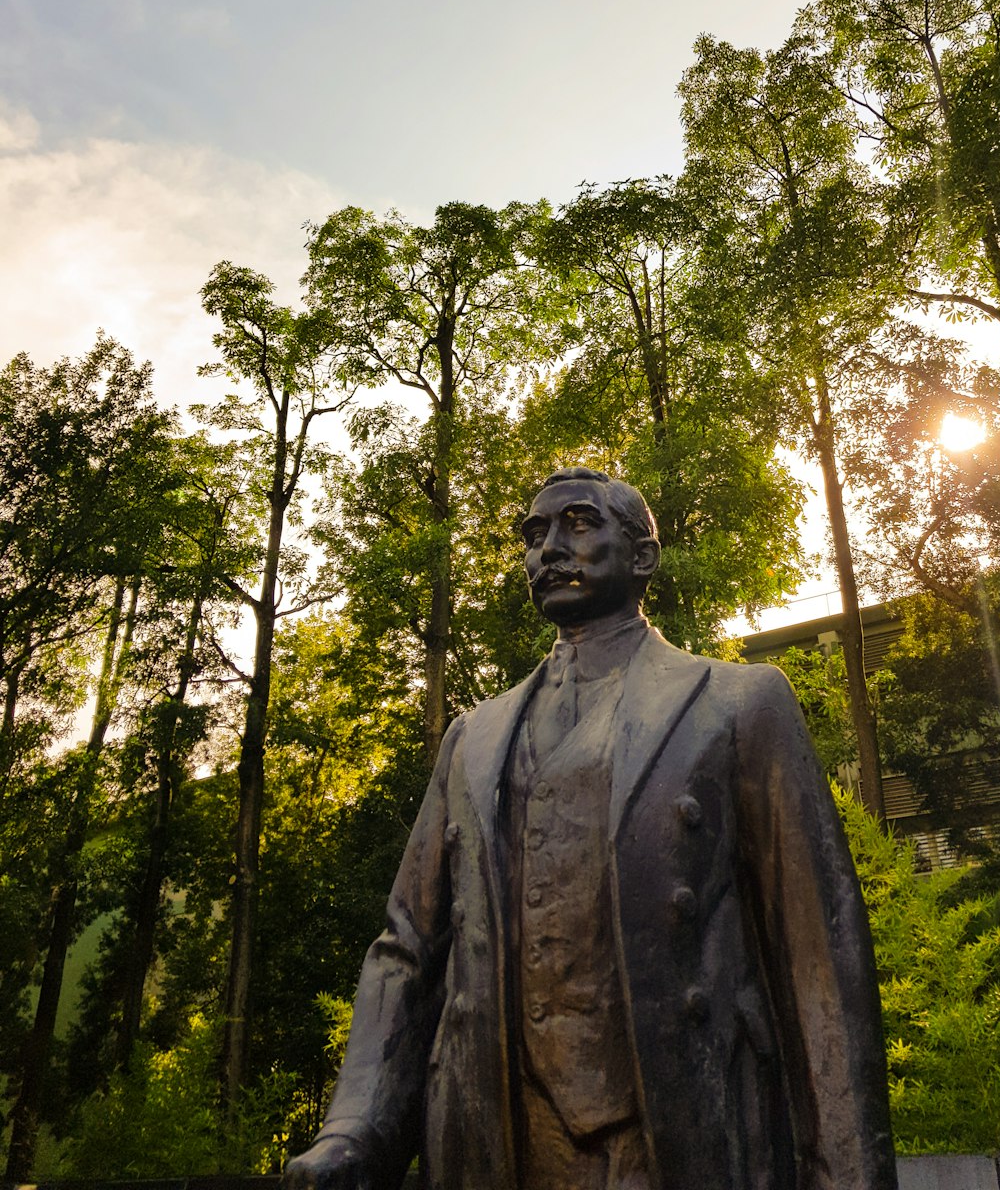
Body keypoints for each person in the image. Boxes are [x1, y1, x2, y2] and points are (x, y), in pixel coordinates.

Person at [284, 468, 896, 1190]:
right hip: (496, 1137)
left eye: (577, 524)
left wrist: (851, 1175)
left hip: (679, 1133)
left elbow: (818, 957)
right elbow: (406, 950)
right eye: (535, 535)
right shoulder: (472, 738)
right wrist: (355, 1130)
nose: (549, 548)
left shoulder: (739, 704)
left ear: (642, 557)